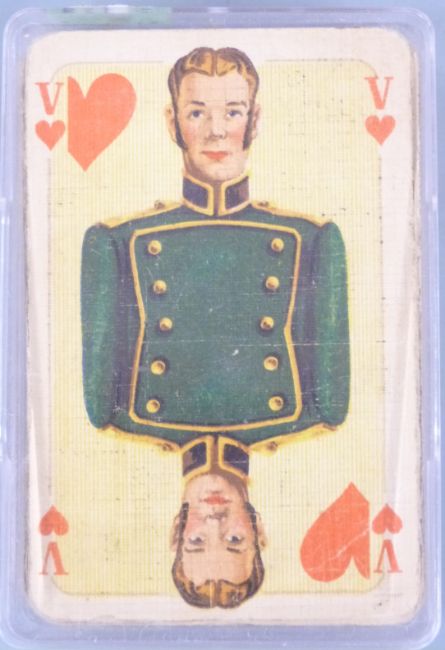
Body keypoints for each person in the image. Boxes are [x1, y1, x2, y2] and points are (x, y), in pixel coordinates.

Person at [81, 47, 349, 607]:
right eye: (197, 111)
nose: (216, 130)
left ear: (255, 119)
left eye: (233, 111)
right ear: (171, 122)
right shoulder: (120, 243)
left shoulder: (308, 240)